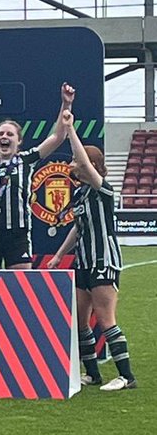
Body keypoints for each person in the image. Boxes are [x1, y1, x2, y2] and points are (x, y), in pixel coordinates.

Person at [48, 111, 136, 391]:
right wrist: (61, 254)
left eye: (77, 160)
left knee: (106, 318)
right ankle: (93, 373)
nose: (73, 164)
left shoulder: (103, 189)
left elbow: (84, 161)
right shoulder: (80, 193)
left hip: (103, 259)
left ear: (93, 165)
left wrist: (71, 129)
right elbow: (78, 227)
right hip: (83, 260)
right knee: (81, 320)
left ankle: (126, 377)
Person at [0, 84, 75, 270]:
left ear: (19, 141)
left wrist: (66, 105)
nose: (4, 136)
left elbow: (58, 137)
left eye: (9, 134)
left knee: (20, 286)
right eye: (1, 133)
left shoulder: (26, 160)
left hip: (17, 234)